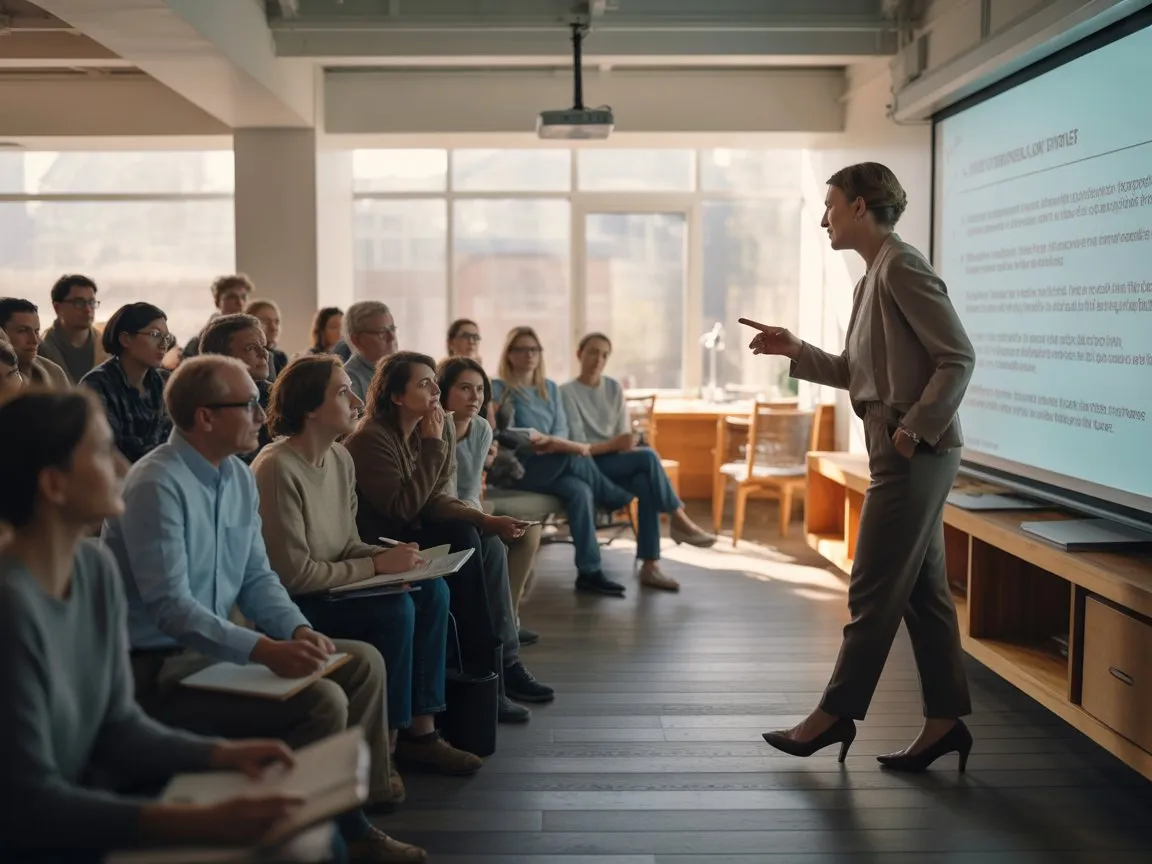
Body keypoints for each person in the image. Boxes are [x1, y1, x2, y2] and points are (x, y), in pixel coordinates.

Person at [100, 354, 426, 862]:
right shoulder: (156, 484)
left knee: (363, 663)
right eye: (248, 403)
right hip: (159, 669)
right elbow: (171, 609)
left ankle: (348, 812)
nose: (261, 414)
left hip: (217, 653)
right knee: (324, 701)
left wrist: (295, 629)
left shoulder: (235, 475)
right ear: (206, 417)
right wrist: (263, 649)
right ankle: (318, 834)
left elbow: (257, 577)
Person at [0, 389, 319, 863]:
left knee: (308, 838)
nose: (121, 465)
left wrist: (222, 755)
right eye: (102, 451)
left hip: (88, 803)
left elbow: (119, 726)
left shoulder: (94, 569)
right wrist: (200, 823)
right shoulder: (11, 605)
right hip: (42, 840)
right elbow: (27, 806)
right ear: (53, 485)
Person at [742, 162, 975, 772]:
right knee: (924, 595)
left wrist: (912, 431)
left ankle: (834, 714)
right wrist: (796, 349)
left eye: (830, 206)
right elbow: (855, 371)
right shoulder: (873, 276)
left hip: (912, 452)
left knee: (871, 588)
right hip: (895, 447)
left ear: (860, 207)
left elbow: (958, 357)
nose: (824, 219)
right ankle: (945, 723)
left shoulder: (902, 267)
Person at [252, 355, 483, 786]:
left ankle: (422, 732)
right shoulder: (277, 467)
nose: (358, 401)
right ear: (310, 408)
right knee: (394, 610)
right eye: (343, 392)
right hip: (298, 606)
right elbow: (293, 576)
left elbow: (347, 542)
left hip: (334, 587)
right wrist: (374, 564)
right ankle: (384, 747)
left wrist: (394, 556)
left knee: (432, 590)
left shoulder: (340, 458)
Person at [343, 351, 554, 722]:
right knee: (462, 533)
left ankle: (494, 672)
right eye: (425, 384)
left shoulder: (434, 428)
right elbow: (402, 509)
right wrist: (433, 446)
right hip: (386, 543)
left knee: (482, 536)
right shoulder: (371, 438)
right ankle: (482, 672)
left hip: (415, 531)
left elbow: (437, 497)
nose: (435, 392)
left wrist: (485, 519)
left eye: (434, 384)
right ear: (397, 396)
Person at [561, 333, 716, 592]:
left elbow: (623, 435)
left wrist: (620, 444)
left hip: (616, 461)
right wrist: (613, 445)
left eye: (604, 355)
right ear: (579, 354)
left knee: (645, 482)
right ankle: (678, 519)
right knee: (648, 456)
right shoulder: (566, 392)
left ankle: (650, 567)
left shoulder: (613, 388)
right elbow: (579, 447)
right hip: (587, 465)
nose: (598, 359)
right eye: (593, 352)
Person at [491, 326, 635, 597]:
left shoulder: (550, 388)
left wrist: (552, 443)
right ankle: (612, 496)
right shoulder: (499, 388)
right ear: (509, 354)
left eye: (534, 349)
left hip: (553, 459)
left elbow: (562, 429)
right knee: (574, 455)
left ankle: (590, 572)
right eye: (521, 349)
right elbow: (504, 433)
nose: (529, 355)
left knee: (580, 490)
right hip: (519, 468)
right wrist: (541, 443)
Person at [438, 356, 544, 644]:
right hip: (439, 514)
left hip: (469, 507)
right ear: (444, 390)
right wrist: (483, 521)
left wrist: (481, 518)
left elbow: (471, 491)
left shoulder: (481, 428)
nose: (475, 397)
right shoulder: (434, 428)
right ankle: (495, 640)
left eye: (480, 389)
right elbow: (442, 496)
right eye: (465, 388)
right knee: (491, 542)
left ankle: (508, 621)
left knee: (528, 531)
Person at [80, 302, 174, 464]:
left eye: (166, 338)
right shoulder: (97, 385)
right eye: (155, 335)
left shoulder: (160, 382)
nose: (163, 345)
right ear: (125, 339)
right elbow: (105, 450)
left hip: (158, 472)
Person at [199, 312, 274, 463]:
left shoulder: (277, 395)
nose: (264, 354)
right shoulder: (210, 405)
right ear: (222, 357)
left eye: (264, 346)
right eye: (251, 348)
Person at [36, 273, 108, 384]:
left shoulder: (107, 348)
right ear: (57, 307)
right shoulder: (40, 349)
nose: (87, 309)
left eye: (91, 302)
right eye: (79, 303)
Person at [0, 298, 69, 390]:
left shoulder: (54, 372)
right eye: (22, 331)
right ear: (2, 333)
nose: (35, 340)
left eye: (36, 331)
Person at [343, 301, 398, 402]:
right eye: (381, 332)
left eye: (392, 329)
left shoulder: (402, 369)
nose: (392, 337)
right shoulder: (348, 382)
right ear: (356, 340)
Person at [246, 299, 290, 379]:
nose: (274, 328)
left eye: (276, 322)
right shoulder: (247, 357)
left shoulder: (280, 357)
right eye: (266, 322)